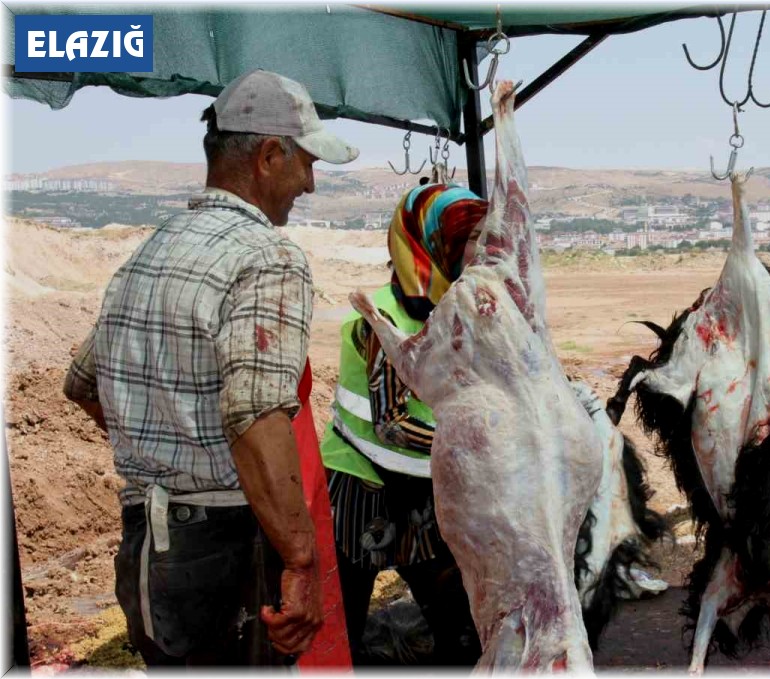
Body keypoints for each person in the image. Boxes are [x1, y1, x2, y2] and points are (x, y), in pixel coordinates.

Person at [62, 68, 359, 666]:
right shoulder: (268, 257)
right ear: (269, 156)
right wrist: (302, 563)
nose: (310, 184)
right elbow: (255, 416)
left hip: (147, 546)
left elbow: (85, 384)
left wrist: (168, 448)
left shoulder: (154, 248)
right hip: (227, 549)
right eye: (307, 163)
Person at [319, 182, 487, 665]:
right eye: (473, 237)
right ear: (435, 242)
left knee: (458, 628)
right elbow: (391, 425)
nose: (484, 249)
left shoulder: (455, 311)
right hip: (360, 491)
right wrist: (483, 447)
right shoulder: (381, 317)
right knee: (342, 632)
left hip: (423, 485)